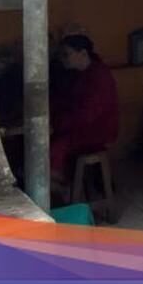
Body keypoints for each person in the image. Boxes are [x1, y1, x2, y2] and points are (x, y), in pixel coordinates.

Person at [50, 34, 119, 179]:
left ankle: (58, 186)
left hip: (98, 129)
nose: (63, 59)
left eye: (67, 54)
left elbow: (88, 114)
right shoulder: (79, 74)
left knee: (54, 147)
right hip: (83, 124)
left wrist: (60, 121)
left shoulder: (99, 75)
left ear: (83, 54)